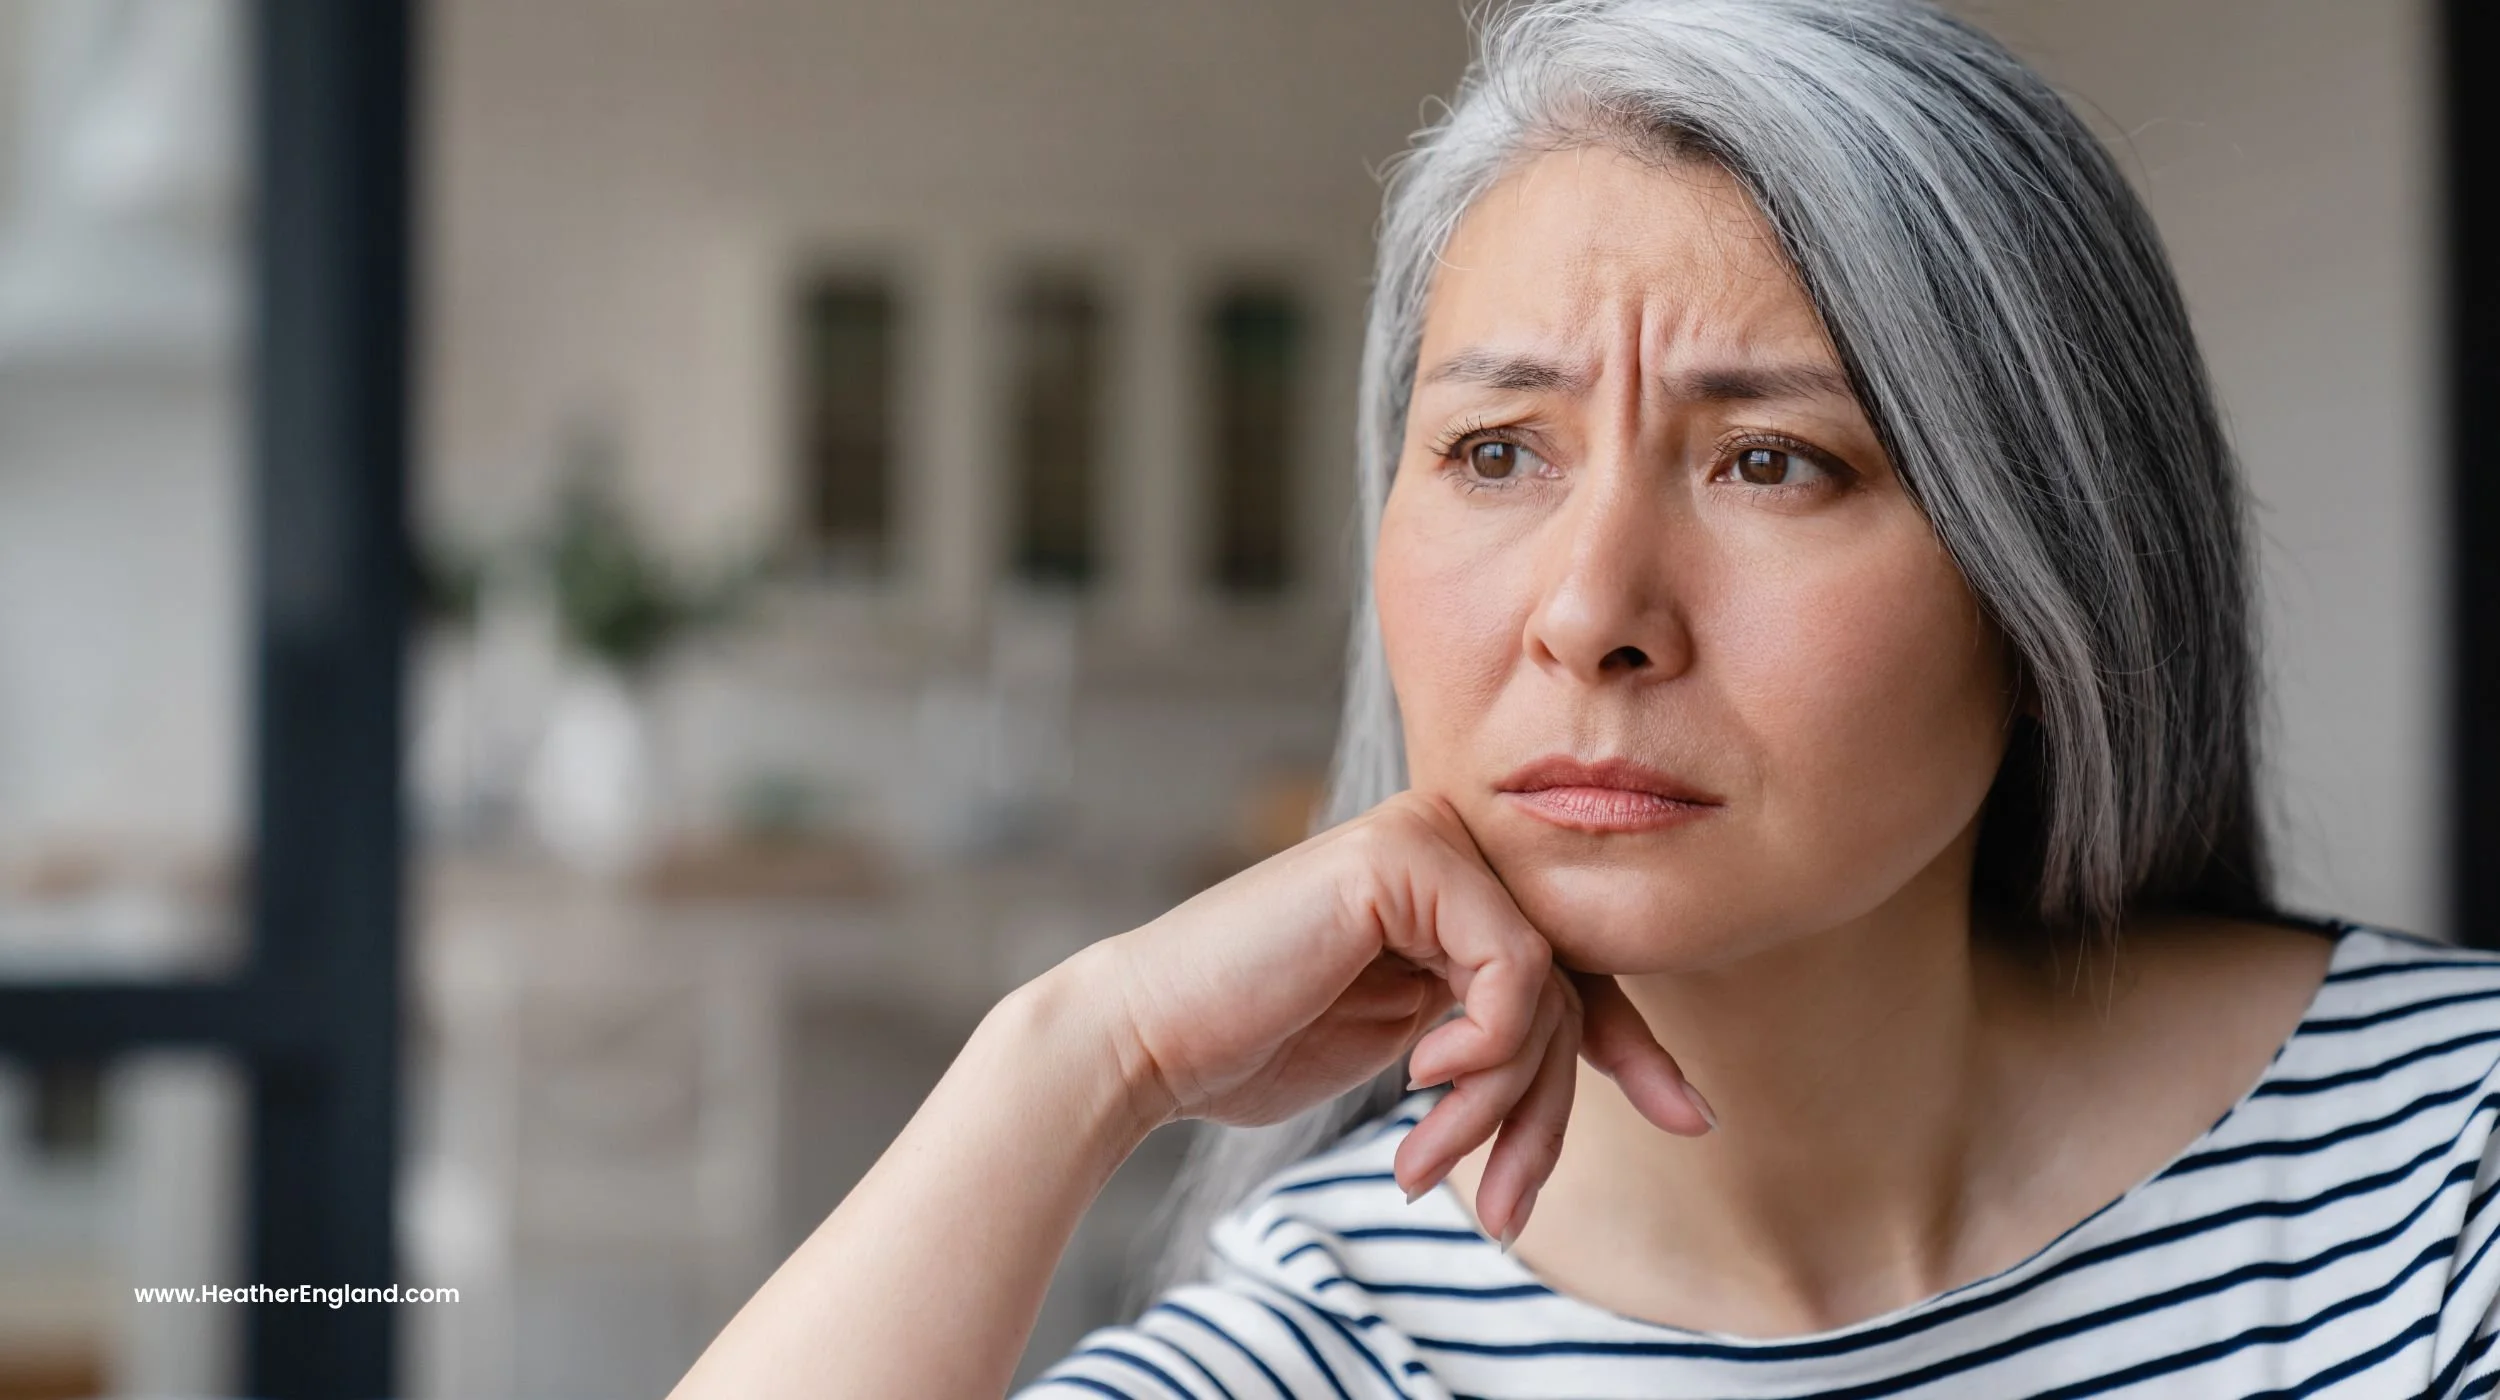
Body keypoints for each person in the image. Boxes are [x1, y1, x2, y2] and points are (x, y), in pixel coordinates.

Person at [668, 1, 2500, 1395]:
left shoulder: (2451, 1187)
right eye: (1496, 451)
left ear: (2049, 572)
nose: (1591, 613)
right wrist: (1073, 1058)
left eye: (1773, 463)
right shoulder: (1342, 1338)